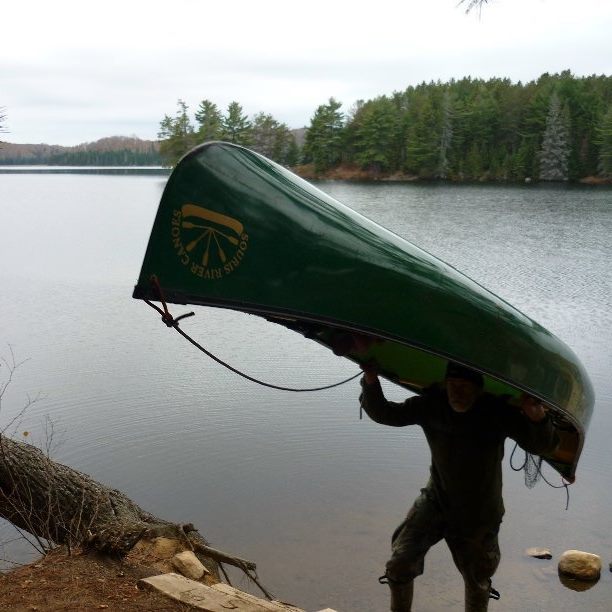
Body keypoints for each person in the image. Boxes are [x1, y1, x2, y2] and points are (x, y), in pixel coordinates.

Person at [360, 360, 559, 612]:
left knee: (477, 581)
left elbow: (544, 447)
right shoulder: (432, 404)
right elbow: (386, 414)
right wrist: (370, 381)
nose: (457, 393)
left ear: (479, 389)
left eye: (465, 386)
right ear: (445, 385)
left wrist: (537, 417)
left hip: (479, 513)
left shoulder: (496, 412)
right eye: (453, 385)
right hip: (436, 500)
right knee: (400, 563)